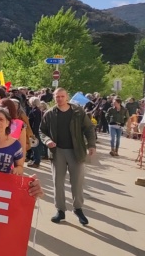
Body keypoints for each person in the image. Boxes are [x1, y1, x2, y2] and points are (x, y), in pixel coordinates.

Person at [40, 88, 96, 225]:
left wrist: (91, 144)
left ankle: (78, 208)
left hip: (76, 151)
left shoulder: (78, 112)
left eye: (62, 96)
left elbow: (88, 128)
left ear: (67, 97)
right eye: (57, 96)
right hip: (57, 151)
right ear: (54, 98)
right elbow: (42, 131)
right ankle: (60, 210)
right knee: (57, 182)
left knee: (77, 182)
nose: (59, 99)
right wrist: (47, 141)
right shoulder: (49, 114)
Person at [27, 97, 44, 168]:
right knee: (36, 146)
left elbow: (35, 123)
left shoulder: (34, 112)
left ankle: (36, 162)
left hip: (34, 131)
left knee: (35, 147)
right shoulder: (39, 111)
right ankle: (35, 160)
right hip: (38, 131)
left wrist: (33, 132)